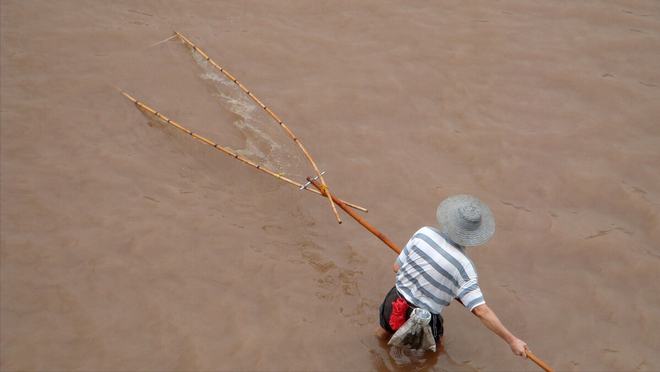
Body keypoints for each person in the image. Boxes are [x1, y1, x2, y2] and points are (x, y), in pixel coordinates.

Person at [377, 194, 528, 358]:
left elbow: (396, 267)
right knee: (434, 353)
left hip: (394, 299)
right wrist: (512, 340)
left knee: (382, 333)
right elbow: (481, 311)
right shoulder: (464, 267)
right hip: (424, 318)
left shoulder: (423, 233)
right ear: (474, 235)